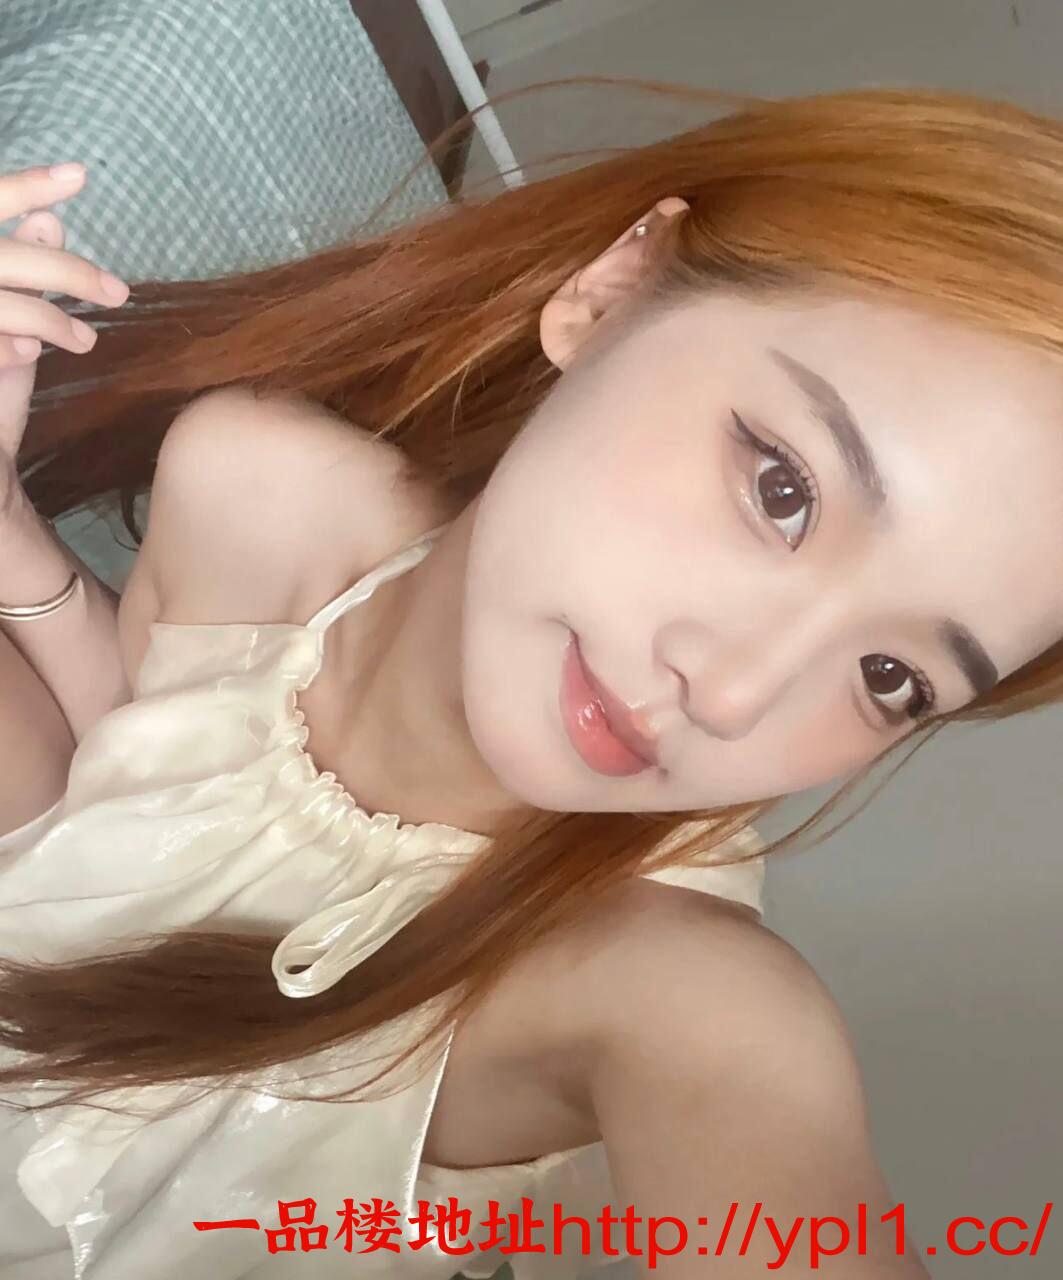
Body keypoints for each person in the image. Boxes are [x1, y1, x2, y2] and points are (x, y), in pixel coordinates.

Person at [0, 82, 1060, 1279]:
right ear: (611, 294)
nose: (732, 693)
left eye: (889, 674)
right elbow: (132, 774)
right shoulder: (258, 485)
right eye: (783, 492)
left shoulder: (666, 989)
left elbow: (735, 1079)